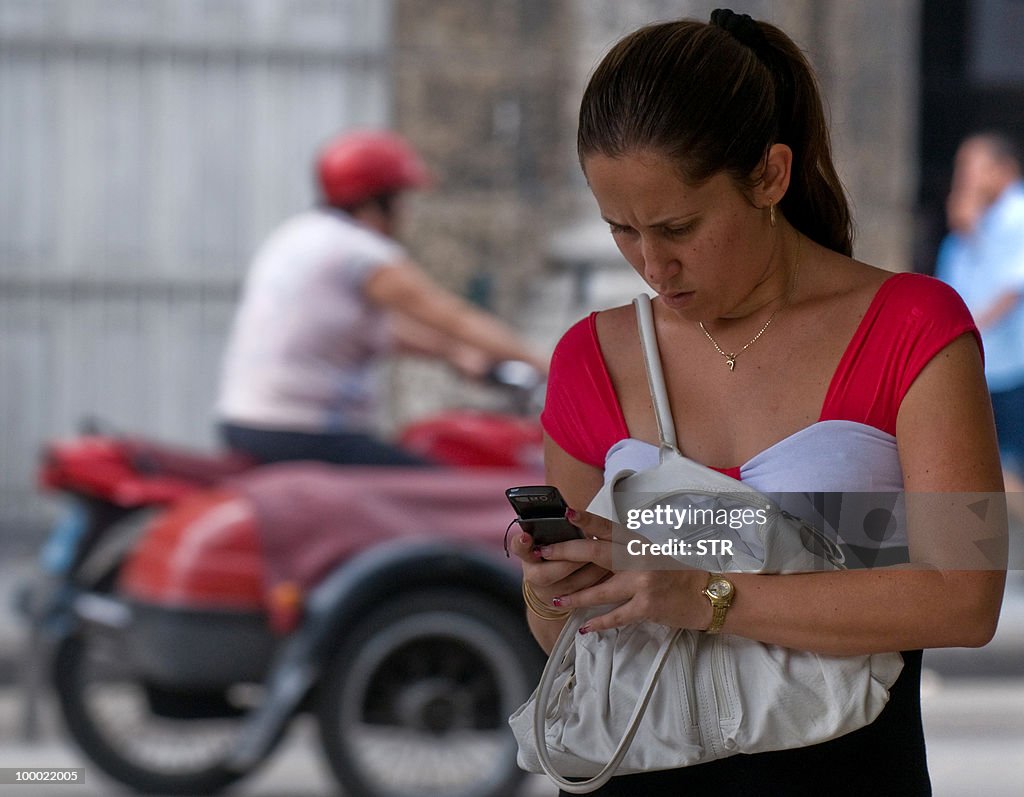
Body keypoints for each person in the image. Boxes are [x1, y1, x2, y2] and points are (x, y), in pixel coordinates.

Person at [507, 9, 1006, 795]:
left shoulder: (913, 328)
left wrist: (704, 596)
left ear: (771, 175)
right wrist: (549, 587)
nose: (653, 266)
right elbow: (572, 637)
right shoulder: (591, 359)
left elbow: (965, 598)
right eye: (622, 230)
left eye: (679, 226)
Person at [216, 129, 547, 466]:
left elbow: (375, 331)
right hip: (305, 433)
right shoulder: (360, 251)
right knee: (448, 493)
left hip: (248, 425)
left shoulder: (300, 235)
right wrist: (546, 365)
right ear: (378, 201)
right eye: (402, 199)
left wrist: (453, 353)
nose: (407, 213)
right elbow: (453, 316)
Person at [934, 133, 1024, 516]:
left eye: (971, 166)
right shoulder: (973, 222)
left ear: (1002, 169)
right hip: (986, 364)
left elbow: (1011, 287)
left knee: (1006, 464)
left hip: (1011, 364)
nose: (963, 177)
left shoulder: (1016, 213)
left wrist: (964, 333)